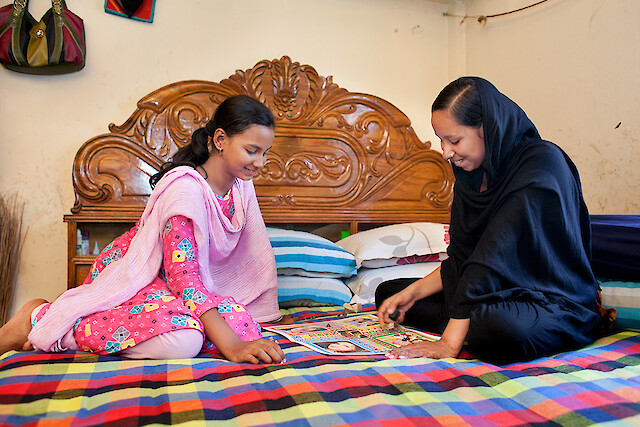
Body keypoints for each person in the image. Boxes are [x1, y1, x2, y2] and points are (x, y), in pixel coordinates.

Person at [0, 95, 288, 364]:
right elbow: (183, 280)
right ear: (221, 139)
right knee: (185, 340)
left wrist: (248, 331)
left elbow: (254, 255)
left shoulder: (241, 188)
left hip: (186, 289)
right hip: (145, 278)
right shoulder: (185, 191)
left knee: (243, 324)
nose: (260, 163)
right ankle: (42, 318)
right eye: (252, 151)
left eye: (266, 153)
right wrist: (233, 348)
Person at [376, 77, 612, 364]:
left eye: (454, 140)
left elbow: (492, 256)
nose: (446, 152)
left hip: (547, 297)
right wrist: (411, 293)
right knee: (389, 294)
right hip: (486, 292)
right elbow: (462, 257)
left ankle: (466, 325)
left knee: (497, 327)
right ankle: (467, 322)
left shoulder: (541, 164)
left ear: (488, 128)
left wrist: (449, 343)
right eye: (441, 140)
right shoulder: (471, 176)